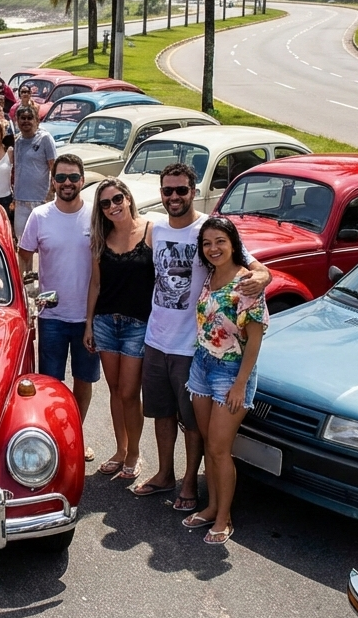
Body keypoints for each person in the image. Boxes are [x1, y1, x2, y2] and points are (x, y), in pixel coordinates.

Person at [130, 163, 269, 514]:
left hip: (193, 346)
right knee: (161, 414)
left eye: (181, 190)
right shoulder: (156, 228)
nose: (174, 197)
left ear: (194, 190)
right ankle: (165, 474)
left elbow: (253, 265)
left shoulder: (208, 230)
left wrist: (264, 277)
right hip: (156, 339)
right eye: (167, 191)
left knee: (192, 423)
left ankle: (190, 485)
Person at [185, 217, 268, 544]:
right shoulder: (210, 275)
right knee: (210, 443)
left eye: (220, 241)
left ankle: (224, 518)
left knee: (220, 449)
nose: (213, 248)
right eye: (207, 243)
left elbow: (256, 339)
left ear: (234, 243)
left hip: (231, 373)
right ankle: (212, 507)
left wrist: (240, 384)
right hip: (202, 365)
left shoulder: (247, 283)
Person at [19, 155, 101, 461]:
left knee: (83, 380)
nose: (67, 183)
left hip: (86, 317)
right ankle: (52, 438)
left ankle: (75, 436)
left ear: (82, 180)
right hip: (51, 315)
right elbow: (24, 254)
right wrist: (30, 292)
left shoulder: (95, 216)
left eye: (73, 177)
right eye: (61, 178)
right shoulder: (40, 216)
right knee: (51, 383)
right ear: (53, 181)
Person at [83, 179, 153, 479]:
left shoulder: (151, 231)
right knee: (114, 390)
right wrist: (89, 324)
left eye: (117, 199)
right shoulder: (100, 238)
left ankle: (135, 452)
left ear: (128, 198)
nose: (113, 206)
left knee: (129, 392)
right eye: (106, 203)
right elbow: (96, 284)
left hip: (138, 324)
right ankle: (121, 450)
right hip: (105, 322)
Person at [11, 104, 56, 239]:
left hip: (41, 200)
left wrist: (51, 193)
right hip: (20, 201)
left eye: (29, 118)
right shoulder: (17, 141)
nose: (26, 121)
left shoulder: (45, 139)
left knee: (43, 242)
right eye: (22, 118)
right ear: (17, 121)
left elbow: (54, 167)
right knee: (22, 241)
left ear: (37, 120)